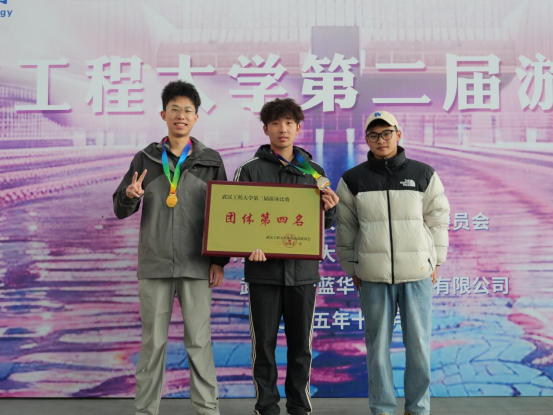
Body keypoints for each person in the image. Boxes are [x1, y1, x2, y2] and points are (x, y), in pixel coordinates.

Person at [113, 80, 228, 415]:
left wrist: (218, 260)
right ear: (163, 115)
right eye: (174, 109)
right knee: (153, 342)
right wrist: (129, 196)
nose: (181, 115)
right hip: (155, 264)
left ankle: (207, 409)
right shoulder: (146, 159)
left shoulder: (210, 161)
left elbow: (223, 215)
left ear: (196, 118)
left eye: (188, 110)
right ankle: (146, 410)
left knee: (199, 341)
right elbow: (120, 208)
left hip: (196, 265)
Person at [335, 111, 450, 415]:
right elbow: (346, 228)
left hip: (417, 274)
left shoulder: (423, 173)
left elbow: (438, 220)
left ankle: (418, 408)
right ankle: (382, 408)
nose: (381, 140)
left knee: (419, 347)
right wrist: (351, 266)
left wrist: (436, 260)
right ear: (366, 140)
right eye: (374, 135)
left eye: (387, 133)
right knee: (377, 350)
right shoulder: (352, 179)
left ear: (398, 134)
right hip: (373, 277)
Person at [234, 98, 339, 415]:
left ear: (298, 128)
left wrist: (330, 210)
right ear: (265, 129)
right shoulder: (249, 170)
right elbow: (235, 220)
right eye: (276, 123)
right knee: (263, 345)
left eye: (289, 123)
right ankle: (266, 406)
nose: (283, 129)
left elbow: (325, 224)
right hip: (262, 273)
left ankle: (299, 405)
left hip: (303, 273)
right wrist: (247, 246)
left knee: (300, 346)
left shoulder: (315, 173)